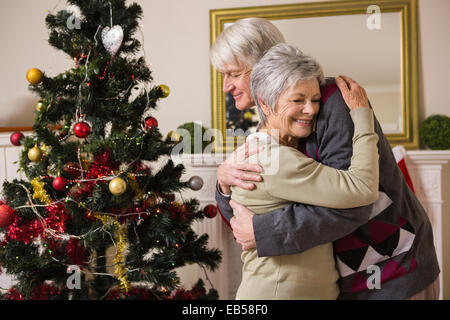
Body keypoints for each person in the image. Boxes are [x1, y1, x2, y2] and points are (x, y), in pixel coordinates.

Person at [210, 17, 440, 300]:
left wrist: (263, 231)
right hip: (341, 279)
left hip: (393, 270)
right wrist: (223, 183)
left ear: (264, 66)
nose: (226, 86)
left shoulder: (333, 104)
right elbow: (244, 219)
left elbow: (356, 201)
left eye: (233, 73)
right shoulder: (267, 131)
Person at [232, 43, 379, 300]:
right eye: (298, 100)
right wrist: (362, 114)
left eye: (315, 100)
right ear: (265, 105)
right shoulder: (276, 161)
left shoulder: (261, 151)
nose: (311, 110)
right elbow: (363, 189)